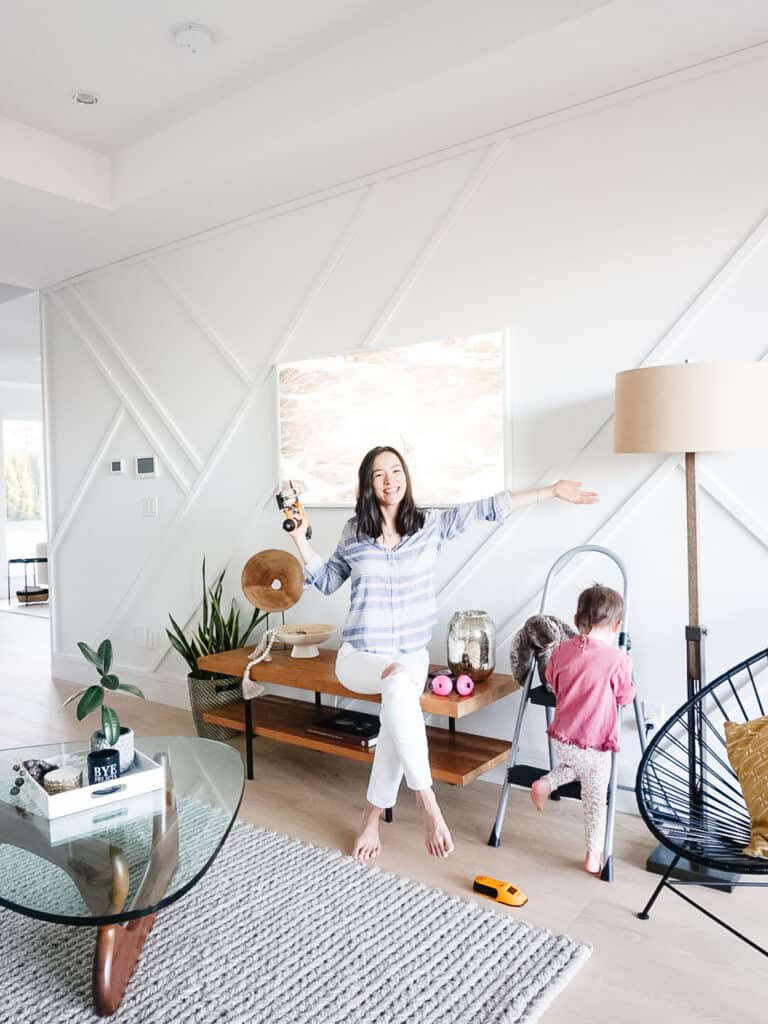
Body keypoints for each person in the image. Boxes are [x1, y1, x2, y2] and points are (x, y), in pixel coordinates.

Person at [288, 445, 598, 862]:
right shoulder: (353, 534)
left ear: (406, 476)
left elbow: (488, 507)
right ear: (368, 483)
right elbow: (325, 582)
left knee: (399, 704)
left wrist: (551, 490)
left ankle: (372, 816)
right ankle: (427, 801)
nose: (389, 480)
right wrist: (298, 538)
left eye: (395, 470)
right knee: (398, 689)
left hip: (410, 657)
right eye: (379, 474)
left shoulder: (430, 526)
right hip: (360, 656)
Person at [531, 584, 635, 875]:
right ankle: (593, 853)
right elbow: (625, 696)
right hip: (593, 741)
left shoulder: (561, 651)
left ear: (576, 621)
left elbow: (551, 682)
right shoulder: (617, 660)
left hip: (562, 737)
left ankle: (546, 783)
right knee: (595, 799)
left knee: (575, 766)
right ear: (617, 625)